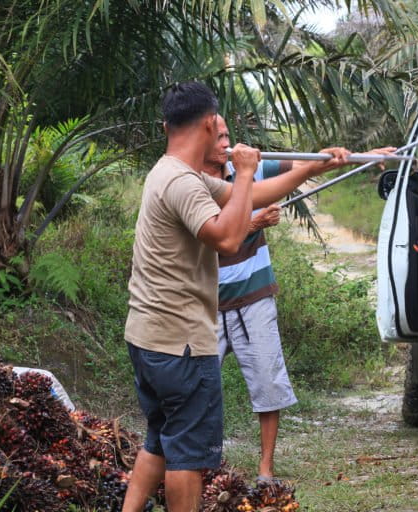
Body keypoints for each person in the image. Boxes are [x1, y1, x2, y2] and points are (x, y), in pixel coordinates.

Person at [122, 82, 350, 512]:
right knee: (187, 456)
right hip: (181, 345)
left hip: (149, 338)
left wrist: (311, 169)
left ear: (167, 124)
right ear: (210, 123)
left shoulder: (170, 173)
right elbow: (228, 238)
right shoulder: (184, 185)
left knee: (159, 440)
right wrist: (245, 170)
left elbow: (248, 199)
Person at [202, 116, 395, 481]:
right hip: (205, 303)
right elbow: (213, 242)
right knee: (197, 385)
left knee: (268, 382)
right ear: (200, 140)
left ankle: (265, 468)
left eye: (229, 134)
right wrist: (255, 224)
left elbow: (306, 163)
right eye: (219, 136)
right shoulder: (191, 183)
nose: (228, 142)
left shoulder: (250, 167)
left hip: (254, 295)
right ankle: (201, 462)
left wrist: (358, 156)